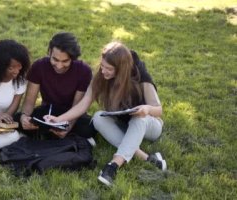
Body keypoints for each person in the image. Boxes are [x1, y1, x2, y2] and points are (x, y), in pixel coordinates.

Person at [45, 41, 167, 186]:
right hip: (124, 125)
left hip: (149, 126)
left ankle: (113, 166)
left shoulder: (140, 76)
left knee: (138, 118)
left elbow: (158, 109)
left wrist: (146, 109)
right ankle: (147, 158)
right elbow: (84, 104)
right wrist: (58, 119)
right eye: (102, 66)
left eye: (108, 69)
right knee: (98, 117)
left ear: (121, 69)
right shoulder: (101, 76)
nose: (103, 71)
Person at [14, 32, 96, 141]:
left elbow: (76, 106)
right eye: (55, 59)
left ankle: (51, 134)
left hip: (71, 115)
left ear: (73, 58)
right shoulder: (39, 66)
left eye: (65, 61)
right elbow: (29, 102)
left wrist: (68, 126)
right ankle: (55, 135)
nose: (59, 66)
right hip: (47, 112)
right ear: (49, 52)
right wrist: (24, 117)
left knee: (88, 128)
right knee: (17, 119)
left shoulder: (83, 71)